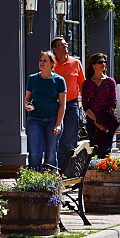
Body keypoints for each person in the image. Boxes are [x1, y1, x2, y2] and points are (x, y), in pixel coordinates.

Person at [24, 50, 66, 171]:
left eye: (45, 61)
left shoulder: (59, 80)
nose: (41, 63)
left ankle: (50, 183)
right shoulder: (32, 79)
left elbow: (62, 104)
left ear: (52, 64)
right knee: (34, 153)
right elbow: (27, 98)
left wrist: (58, 124)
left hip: (52, 119)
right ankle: (34, 183)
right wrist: (27, 104)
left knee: (51, 154)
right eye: (40, 60)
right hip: (34, 119)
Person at [51, 36, 85, 171]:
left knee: (70, 139)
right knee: (56, 138)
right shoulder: (51, 64)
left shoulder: (76, 63)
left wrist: (85, 104)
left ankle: (69, 171)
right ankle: (57, 170)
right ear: (55, 49)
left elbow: (82, 84)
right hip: (54, 106)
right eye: (62, 45)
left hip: (71, 105)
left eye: (66, 44)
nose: (66, 46)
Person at [80, 53, 119, 157]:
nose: (103, 64)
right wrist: (96, 120)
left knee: (106, 151)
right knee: (94, 150)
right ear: (93, 65)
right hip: (92, 120)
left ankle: (106, 172)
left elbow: (113, 102)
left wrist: (104, 120)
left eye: (104, 62)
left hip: (107, 119)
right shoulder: (87, 84)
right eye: (100, 62)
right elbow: (85, 105)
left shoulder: (110, 82)